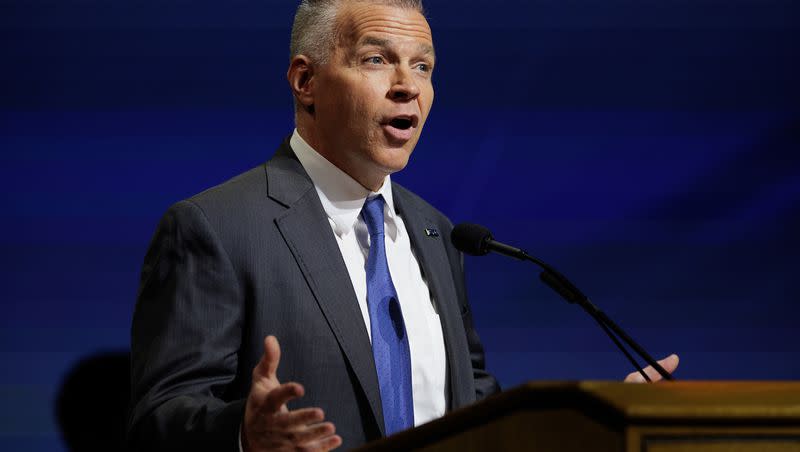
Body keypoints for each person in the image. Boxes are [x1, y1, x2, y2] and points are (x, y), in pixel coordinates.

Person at [128, 1, 678, 451]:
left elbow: (476, 413)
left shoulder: (437, 234)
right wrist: (244, 435)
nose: (407, 86)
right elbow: (157, 421)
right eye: (375, 60)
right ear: (305, 81)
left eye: (422, 66)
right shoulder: (215, 228)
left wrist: (590, 425)